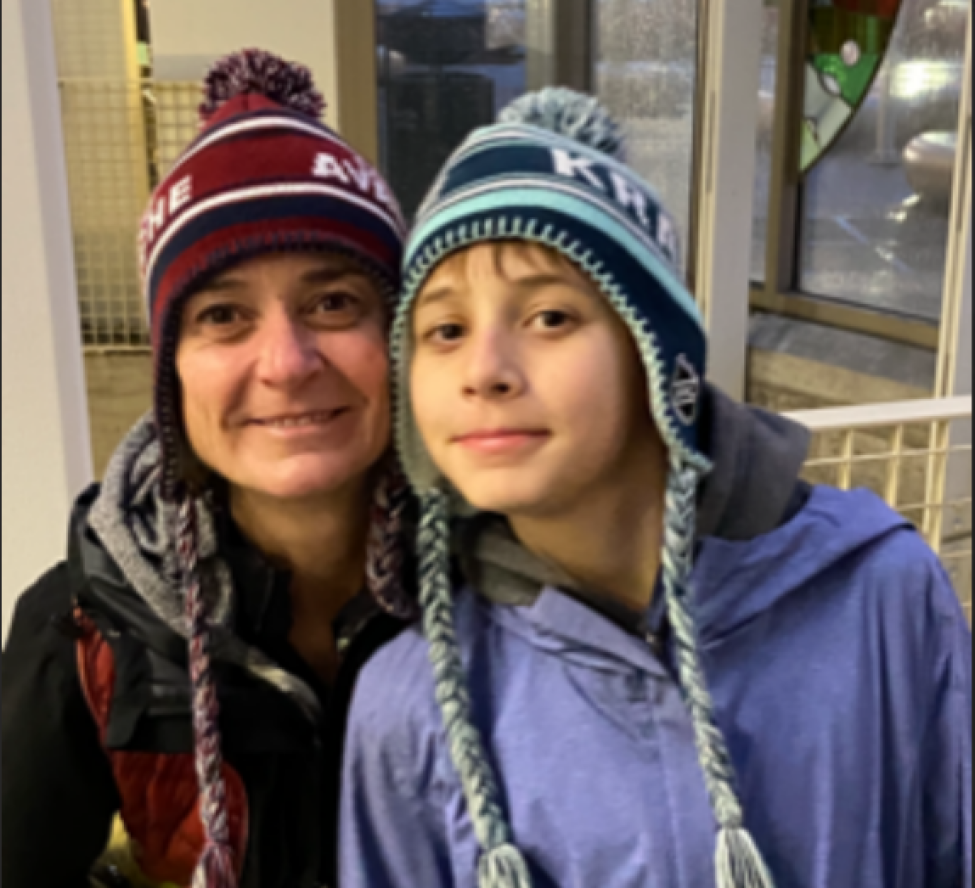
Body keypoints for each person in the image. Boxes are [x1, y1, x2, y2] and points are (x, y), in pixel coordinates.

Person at [341, 89, 973, 888]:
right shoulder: (411, 702)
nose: (484, 371)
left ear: (654, 350)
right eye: (445, 330)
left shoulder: (878, 594)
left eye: (549, 317)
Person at [2, 50, 415, 888]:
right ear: (172, 375)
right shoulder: (85, 635)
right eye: (223, 315)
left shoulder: (514, 584)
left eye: (333, 302)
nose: (287, 362)